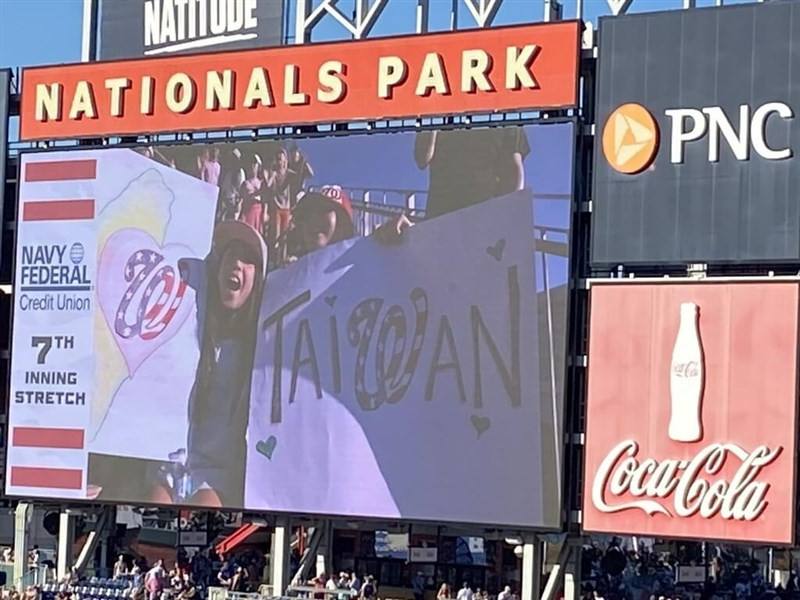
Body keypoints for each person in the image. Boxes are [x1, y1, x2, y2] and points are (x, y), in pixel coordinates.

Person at [149, 220, 269, 507]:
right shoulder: (187, 326)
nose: (236, 265)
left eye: (249, 260)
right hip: (167, 463)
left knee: (202, 511)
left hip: (217, 475)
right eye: (230, 255)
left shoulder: (263, 345)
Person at [414, 127, 530, 219]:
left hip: (484, 215)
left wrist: (507, 216)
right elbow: (422, 159)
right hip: (440, 215)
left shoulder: (505, 113)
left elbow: (513, 172)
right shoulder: (439, 107)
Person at [240, 154, 267, 234]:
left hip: (258, 212)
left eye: (255, 164)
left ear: (258, 167)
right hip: (247, 211)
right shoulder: (245, 183)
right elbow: (242, 199)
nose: (252, 166)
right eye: (251, 163)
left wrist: (264, 214)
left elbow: (265, 200)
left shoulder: (262, 183)